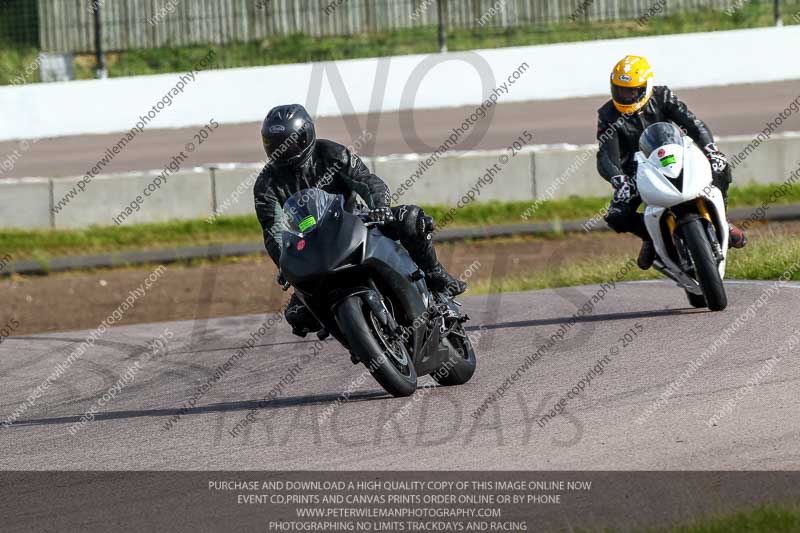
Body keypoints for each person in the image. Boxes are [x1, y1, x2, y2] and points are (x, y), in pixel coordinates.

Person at [253, 104, 466, 337]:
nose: (284, 150)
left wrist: (380, 209)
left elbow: (368, 182)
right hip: (313, 248)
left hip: (356, 223)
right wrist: (283, 263)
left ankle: (435, 275)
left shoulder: (331, 153)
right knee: (297, 315)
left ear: (307, 136)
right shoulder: (265, 184)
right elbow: (272, 231)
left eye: (290, 142)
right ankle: (354, 334)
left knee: (411, 219)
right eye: (274, 145)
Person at [597, 55, 747, 270]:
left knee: (720, 167)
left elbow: (694, 125)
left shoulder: (663, 96)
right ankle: (650, 236)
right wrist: (618, 179)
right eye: (620, 89)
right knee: (616, 216)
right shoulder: (607, 114)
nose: (625, 95)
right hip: (638, 171)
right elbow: (605, 155)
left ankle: (722, 219)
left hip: (676, 156)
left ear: (646, 86)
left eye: (631, 90)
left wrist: (711, 150)